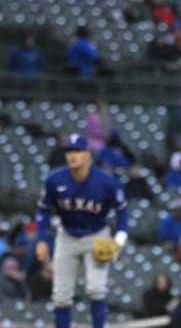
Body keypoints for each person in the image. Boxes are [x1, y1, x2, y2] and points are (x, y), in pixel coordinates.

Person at [34, 133, 129, 328]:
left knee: (96, 289)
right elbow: (42, 210)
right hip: (67, 235)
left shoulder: (106, 181)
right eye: (69, 150)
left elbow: (122, 210)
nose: (72, 155)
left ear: (88, 154)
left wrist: (119, 238)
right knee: (60, 296)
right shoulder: (54, 179)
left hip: (97, 235)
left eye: (78, 150)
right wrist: (41, 239)